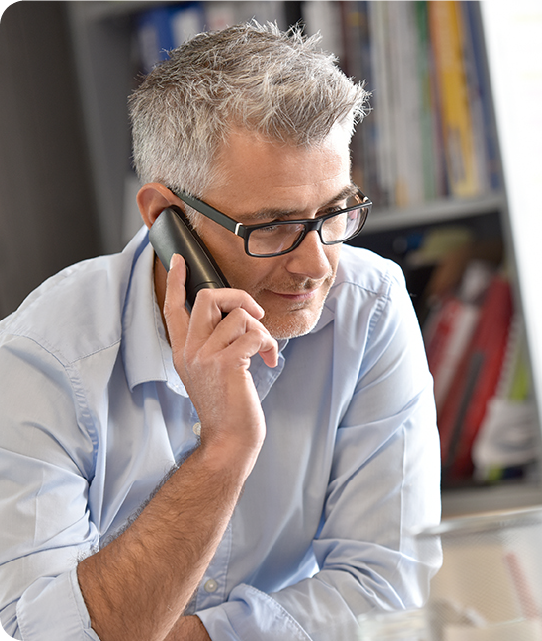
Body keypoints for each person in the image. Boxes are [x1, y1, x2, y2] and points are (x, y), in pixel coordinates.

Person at [0, 22, 441, 641]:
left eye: (336, 213)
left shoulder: (366, 305)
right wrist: (224, 450)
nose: (317, 264)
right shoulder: (39, 362)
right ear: (165, 218)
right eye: (273, 226)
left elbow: (390, 586)